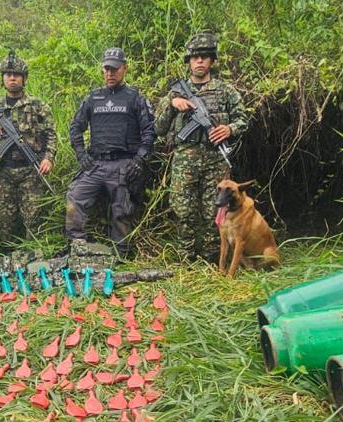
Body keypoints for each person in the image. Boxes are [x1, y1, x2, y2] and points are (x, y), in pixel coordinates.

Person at [154, 32, 249, 263]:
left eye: (205, 57)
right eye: (195, 57)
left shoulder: (225, 91)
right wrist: (172, 104)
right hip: (185, 158)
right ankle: (185, 259)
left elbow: (243, 119)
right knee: (183, 210)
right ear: (188, 61)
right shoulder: (176, 93)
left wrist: (229, 129)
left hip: (215, 158)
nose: (199, 61)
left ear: (212, 61)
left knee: (213, 212)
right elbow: (158, 128)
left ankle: (210, 258)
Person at [65, 47, 155, 258]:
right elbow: (75, 127)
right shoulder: (93, 98)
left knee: (122, 209)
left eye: (115, 69)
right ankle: (77, 249)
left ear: (124, 69)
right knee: (74, 197)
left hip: (124, 164)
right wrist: (81, 155)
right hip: (96, 164)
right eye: (106, 69)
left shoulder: (135, 98)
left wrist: (139, 160)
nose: (110, 73)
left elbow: (150, 131)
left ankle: (120, 256)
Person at [0, 51, 57, 250]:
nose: (12, 78)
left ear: (24, 78)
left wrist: (48, 158)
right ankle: (8, 265)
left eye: (16, 75)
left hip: (31, 172)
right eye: (7, 74)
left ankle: (33, 261)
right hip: (3, 172)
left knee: (34, 221)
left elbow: (51, 135)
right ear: (2, 79)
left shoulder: (38, 106)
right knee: (5, 223)